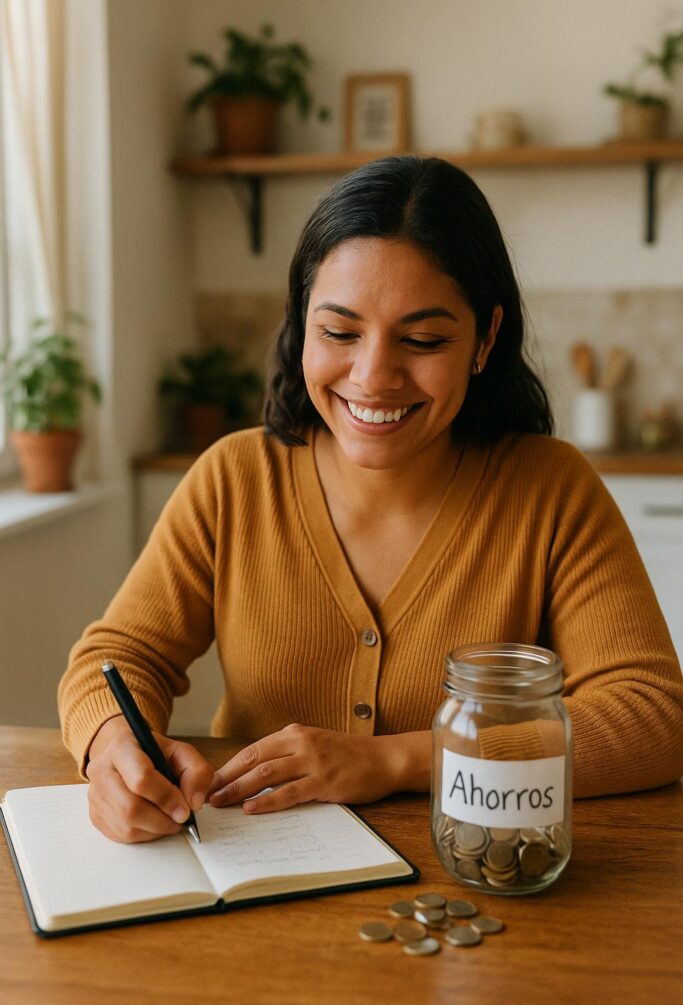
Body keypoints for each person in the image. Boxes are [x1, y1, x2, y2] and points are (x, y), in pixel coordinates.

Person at [58, 156, 683, 844]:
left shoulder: (550, 491)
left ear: (485, 339)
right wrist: (112, 747)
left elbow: (650, 717)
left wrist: (397, 759)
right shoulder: (234, 479)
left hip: (475, 890)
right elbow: (115, 659)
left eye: (421, 339)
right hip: (253, 888)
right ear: (301, 323)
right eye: (338, 332)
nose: (373, 376)